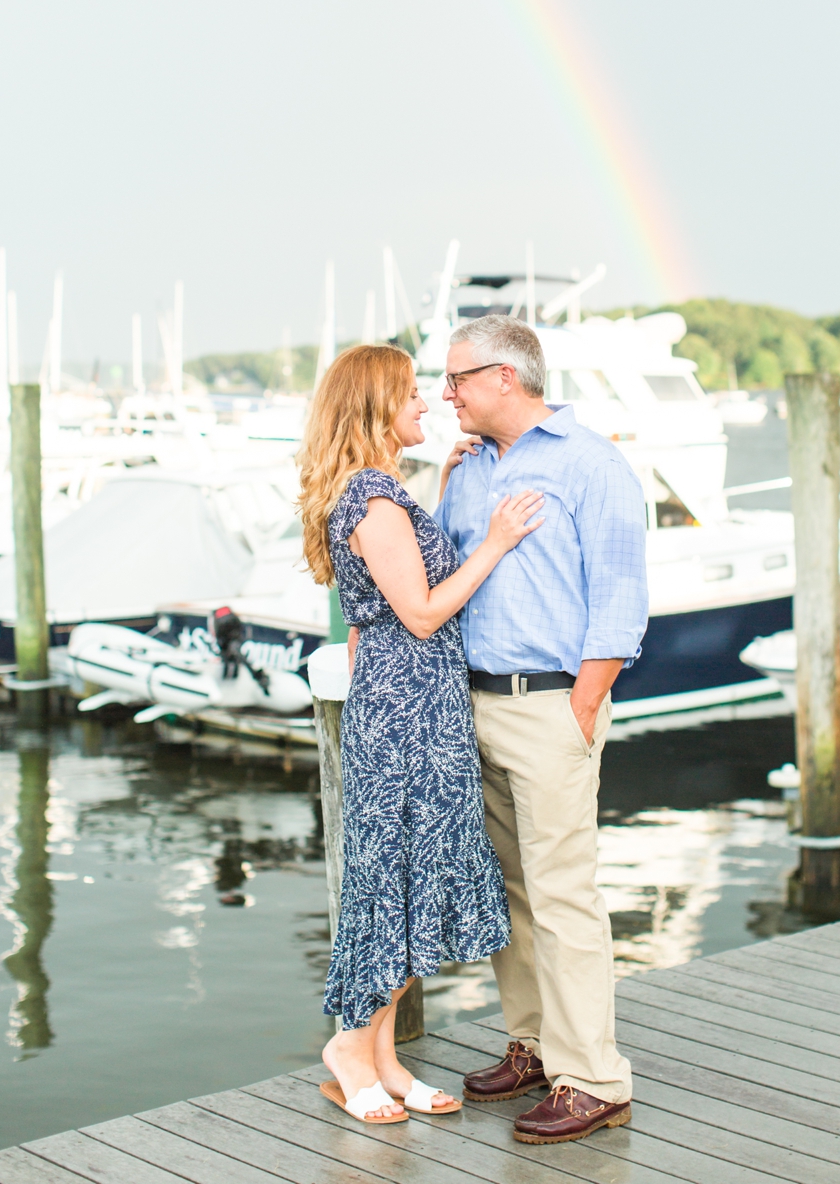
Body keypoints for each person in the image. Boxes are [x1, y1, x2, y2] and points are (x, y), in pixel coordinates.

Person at [298, 343, 544, 1125]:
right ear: (375, 408)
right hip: (409, 719)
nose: (427, 405)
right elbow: (425, 611)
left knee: (404, 880)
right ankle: (349, 1047)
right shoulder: (373, 500)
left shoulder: (383, 496)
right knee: (392, 883)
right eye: (410, 394)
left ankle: (382, 1056)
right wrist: (496, 543)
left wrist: (435, 493)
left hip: (412, 709)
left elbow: (389, 595)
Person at [435, 315, 647, 1145]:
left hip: (551, 705)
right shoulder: (468, 467)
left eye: (456, 379)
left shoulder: (591, 463)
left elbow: (621, 597)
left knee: (563, 897)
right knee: (513, 892)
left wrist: (581, 706)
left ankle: (593, 1078)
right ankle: (532, 1044)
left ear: (506, 379)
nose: (445, 392)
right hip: (476, 703)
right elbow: (447, 575)